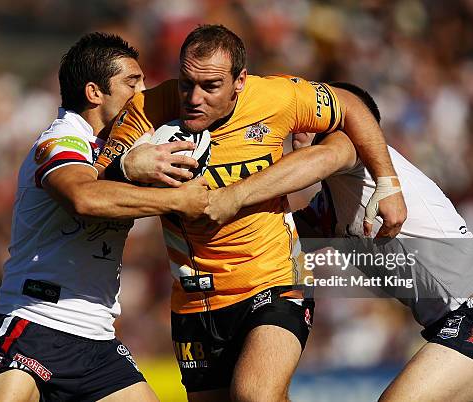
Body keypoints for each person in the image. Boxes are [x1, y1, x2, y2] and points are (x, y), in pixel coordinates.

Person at [95, 24, 406, 402]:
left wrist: (388, 183)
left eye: (210, 86)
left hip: (274, 280)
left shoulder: (277, 97)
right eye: (186, 83)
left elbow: (352, 106)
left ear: (240, 80)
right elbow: (96, 190)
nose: (193, 98)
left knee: (255, 395)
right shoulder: (148, 110)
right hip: (196, 301)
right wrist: (125, 169)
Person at [206, 82, 473, 402]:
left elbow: (319, 161)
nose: (298, 127)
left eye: (311, 117)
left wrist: (234, 194)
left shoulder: (350, 146)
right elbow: (272, 238)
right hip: (463, 320)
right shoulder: (333, 201)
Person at [0, 32, 208, 402]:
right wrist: (174, 199)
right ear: (94, 92)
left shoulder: (123, 147)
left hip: (97, 338)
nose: (144, 92)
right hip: (35, 322)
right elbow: (83, 197)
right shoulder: (61, 141)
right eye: (133, 82)